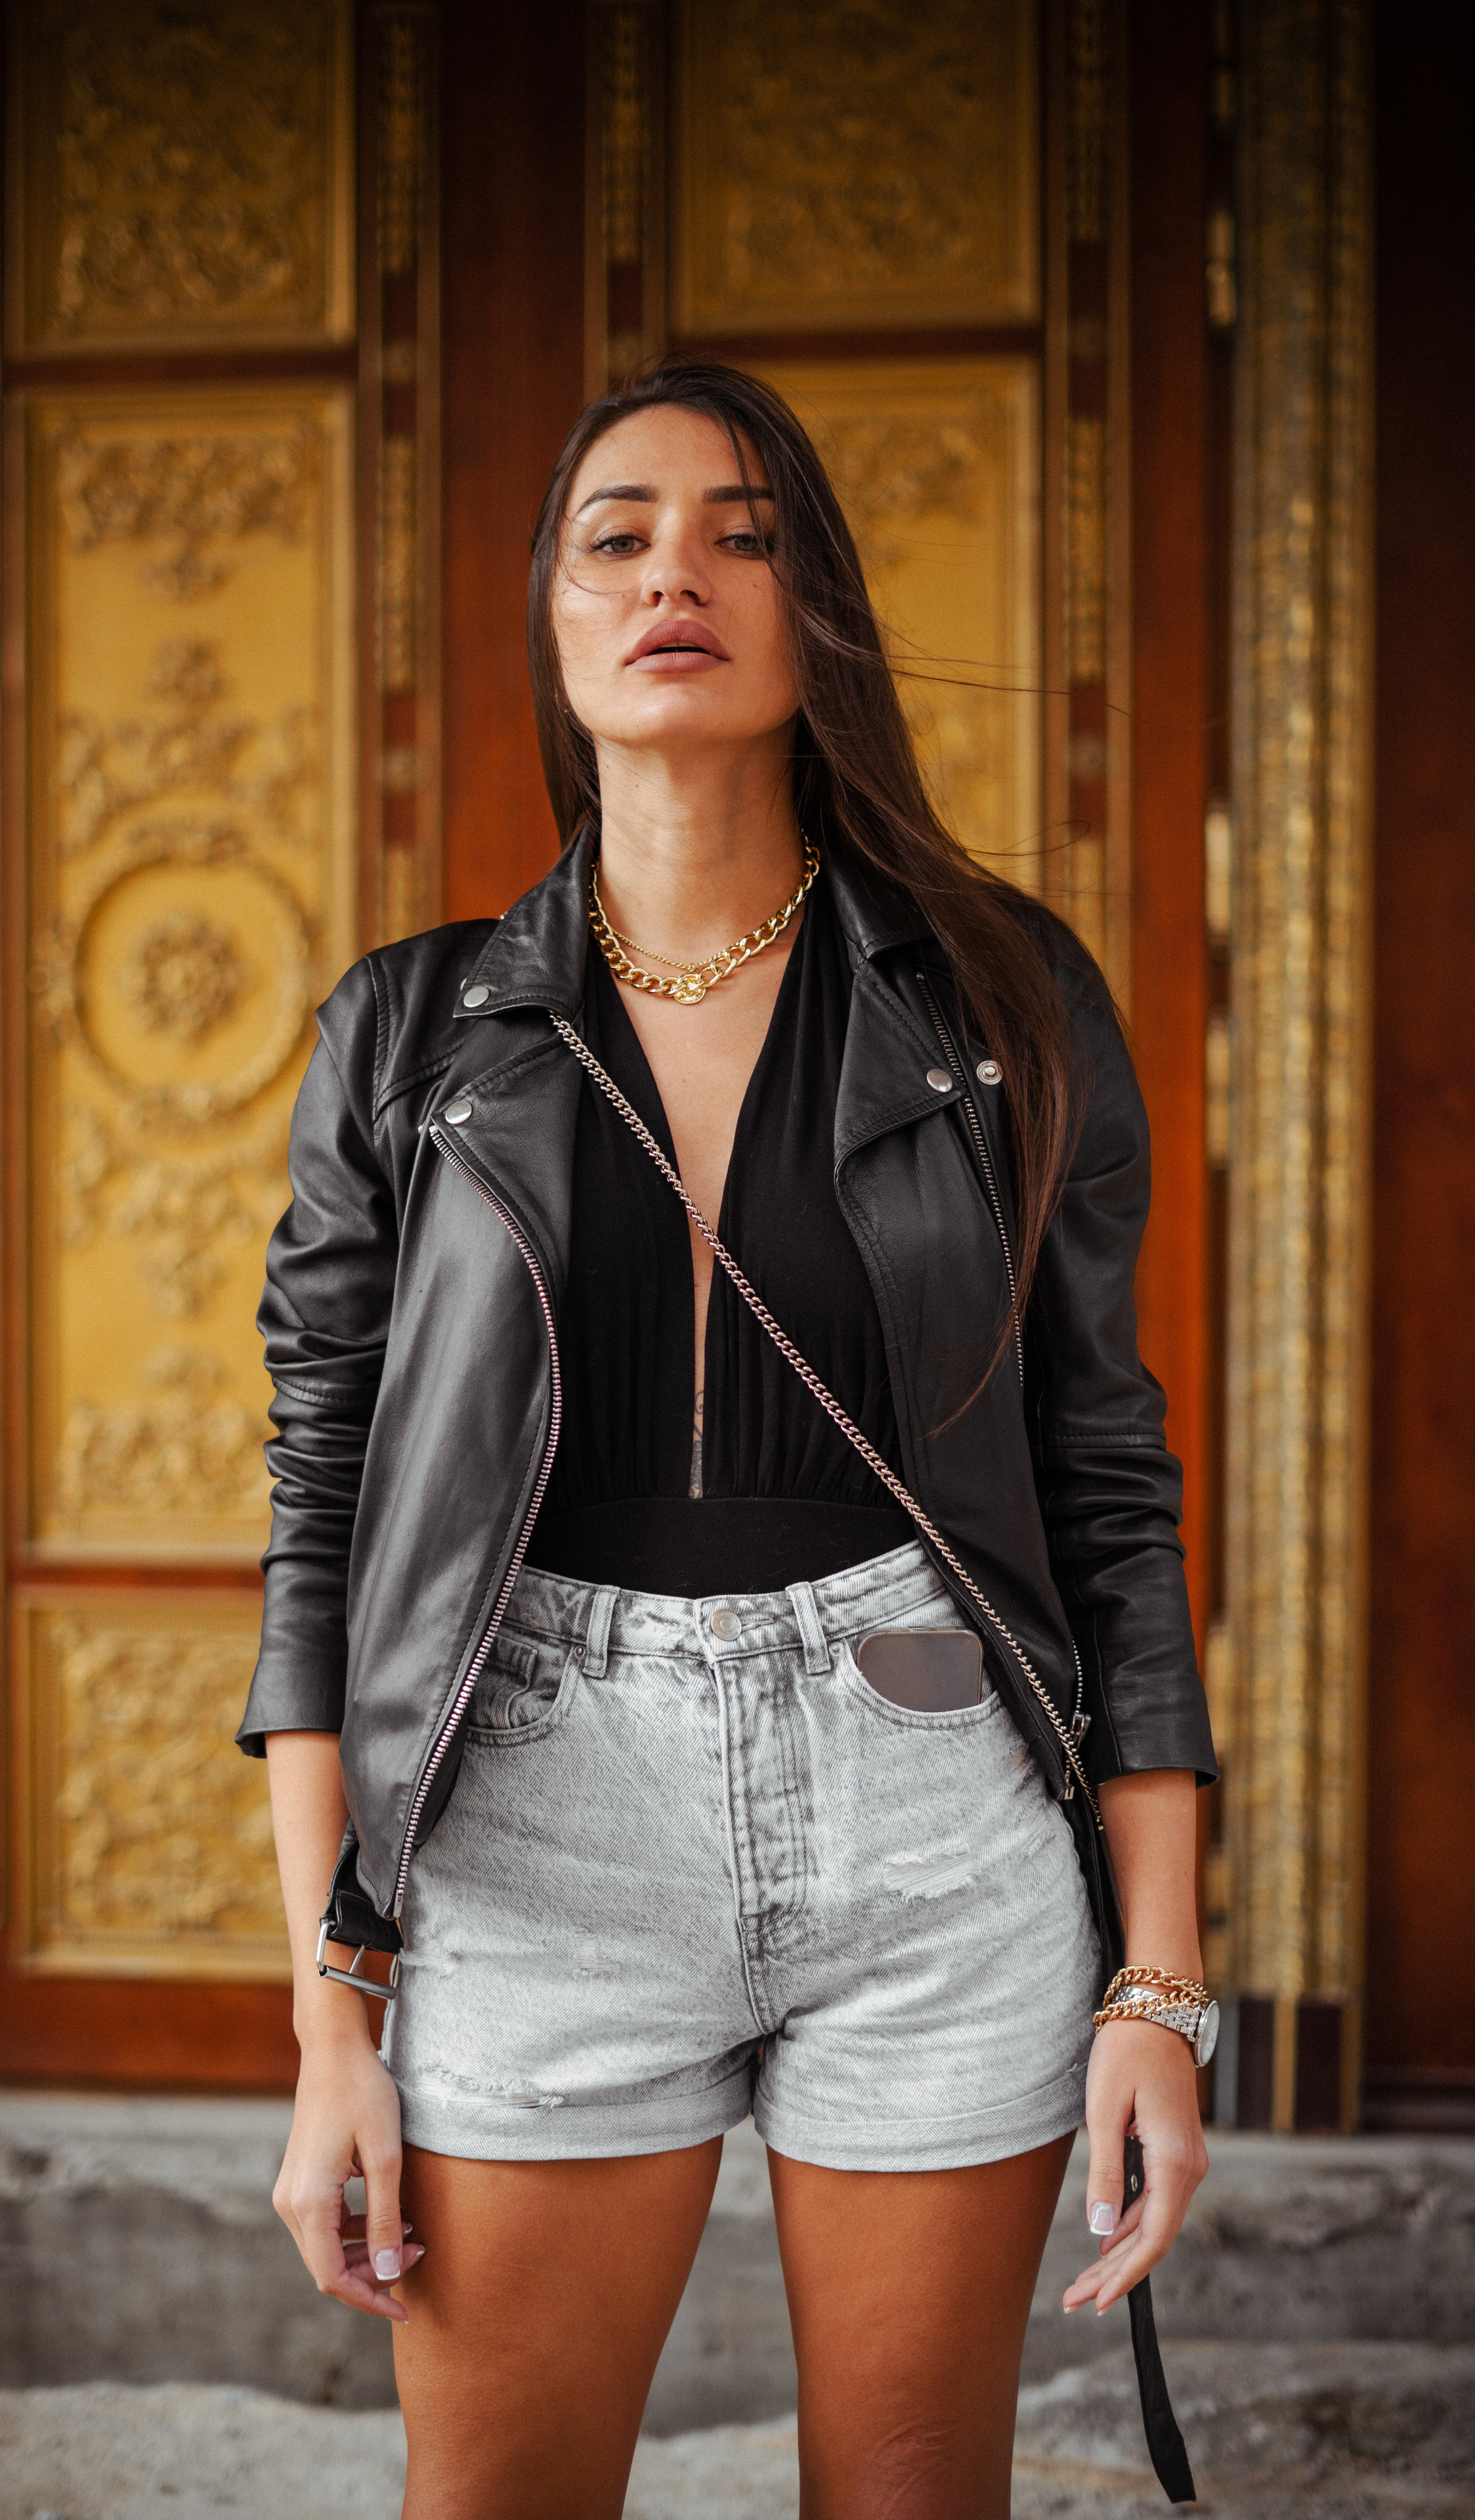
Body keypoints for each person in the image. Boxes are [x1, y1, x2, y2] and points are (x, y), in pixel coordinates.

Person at [238, 357, 1218, 2519]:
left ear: (817, 619)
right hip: (537, 1840)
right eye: (619, 532)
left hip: (932, 1822)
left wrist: (1160, 1980)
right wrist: (336, 2019)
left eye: (744, 531)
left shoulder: (1000, 1004)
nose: (677, 565)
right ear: (558, 626)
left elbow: (1107, 1492)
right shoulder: (410, 1039)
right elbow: (325, 1538)